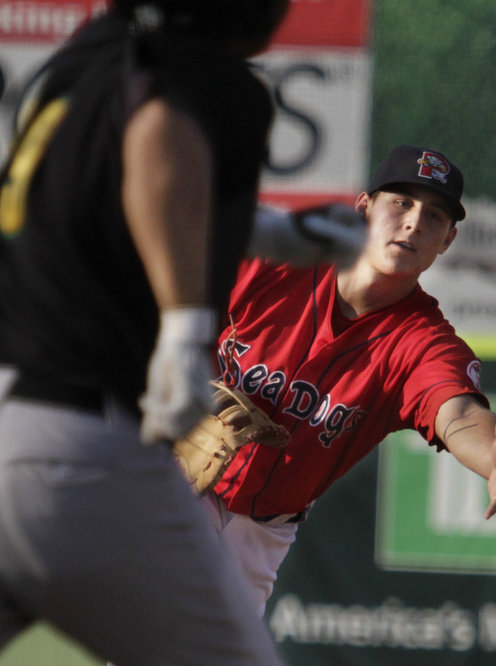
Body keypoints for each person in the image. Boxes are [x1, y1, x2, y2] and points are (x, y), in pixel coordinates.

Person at [0, 1, 315, 663]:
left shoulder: (85, 56)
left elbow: (118, 193)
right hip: (75, 446)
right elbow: (159, 133)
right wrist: (184, 325)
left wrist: (281, 235)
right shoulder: (197, 71)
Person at [205, 144, 496, 617]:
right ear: (365, 209)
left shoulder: (422, 342)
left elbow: (457, 411)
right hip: (176, 490)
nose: (413, 223)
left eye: (433, 216)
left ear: (447, 240)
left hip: (260, 535)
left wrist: (492, 455)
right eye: (401, 203)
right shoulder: (278, 261)